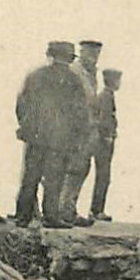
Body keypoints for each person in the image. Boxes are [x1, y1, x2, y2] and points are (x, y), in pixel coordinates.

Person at [14, 41, 91, 228]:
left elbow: (21, 105)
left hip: (36, 136)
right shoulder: (74, 81)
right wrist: (78, 137)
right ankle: (51, 216)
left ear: (50, 55)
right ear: (69, 58)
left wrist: (28, 127)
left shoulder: (35, 76)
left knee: (30, 176)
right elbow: (80, 113)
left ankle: (22, 217)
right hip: (60, 139)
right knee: (54, 178)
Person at [57, 39, 102, 226]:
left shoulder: (92, 74)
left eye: (96, 54)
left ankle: (68, 208)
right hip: (74, 130)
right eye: (89, 54)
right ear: (81, 53)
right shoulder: (74, 72)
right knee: (71, 169)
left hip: (87, 130)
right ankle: (63, 210)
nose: (93, 58)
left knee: (81, 169)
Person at [89, 68, 120, 221]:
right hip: (104, 142)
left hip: (102, 140)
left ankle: (96, 209)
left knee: (103, 176)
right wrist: (107, 136)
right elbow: (105, 119)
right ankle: (97, 210)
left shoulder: (105, 96)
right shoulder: (107, 97)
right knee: (103, 176)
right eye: (118, 80)